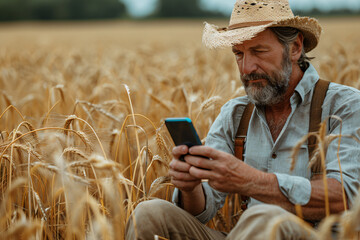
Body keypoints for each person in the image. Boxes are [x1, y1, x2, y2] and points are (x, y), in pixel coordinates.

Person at [125, 0, 360, 239]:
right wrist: (191, 186)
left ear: (295, 48)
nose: (246, 68)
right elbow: (202, 212)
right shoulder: (235, 114)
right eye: (239, 54)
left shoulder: (344, 105)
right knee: (148, 214)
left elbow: (347, 197)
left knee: (266, 220)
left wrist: (250, 181)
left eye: (258, 51)